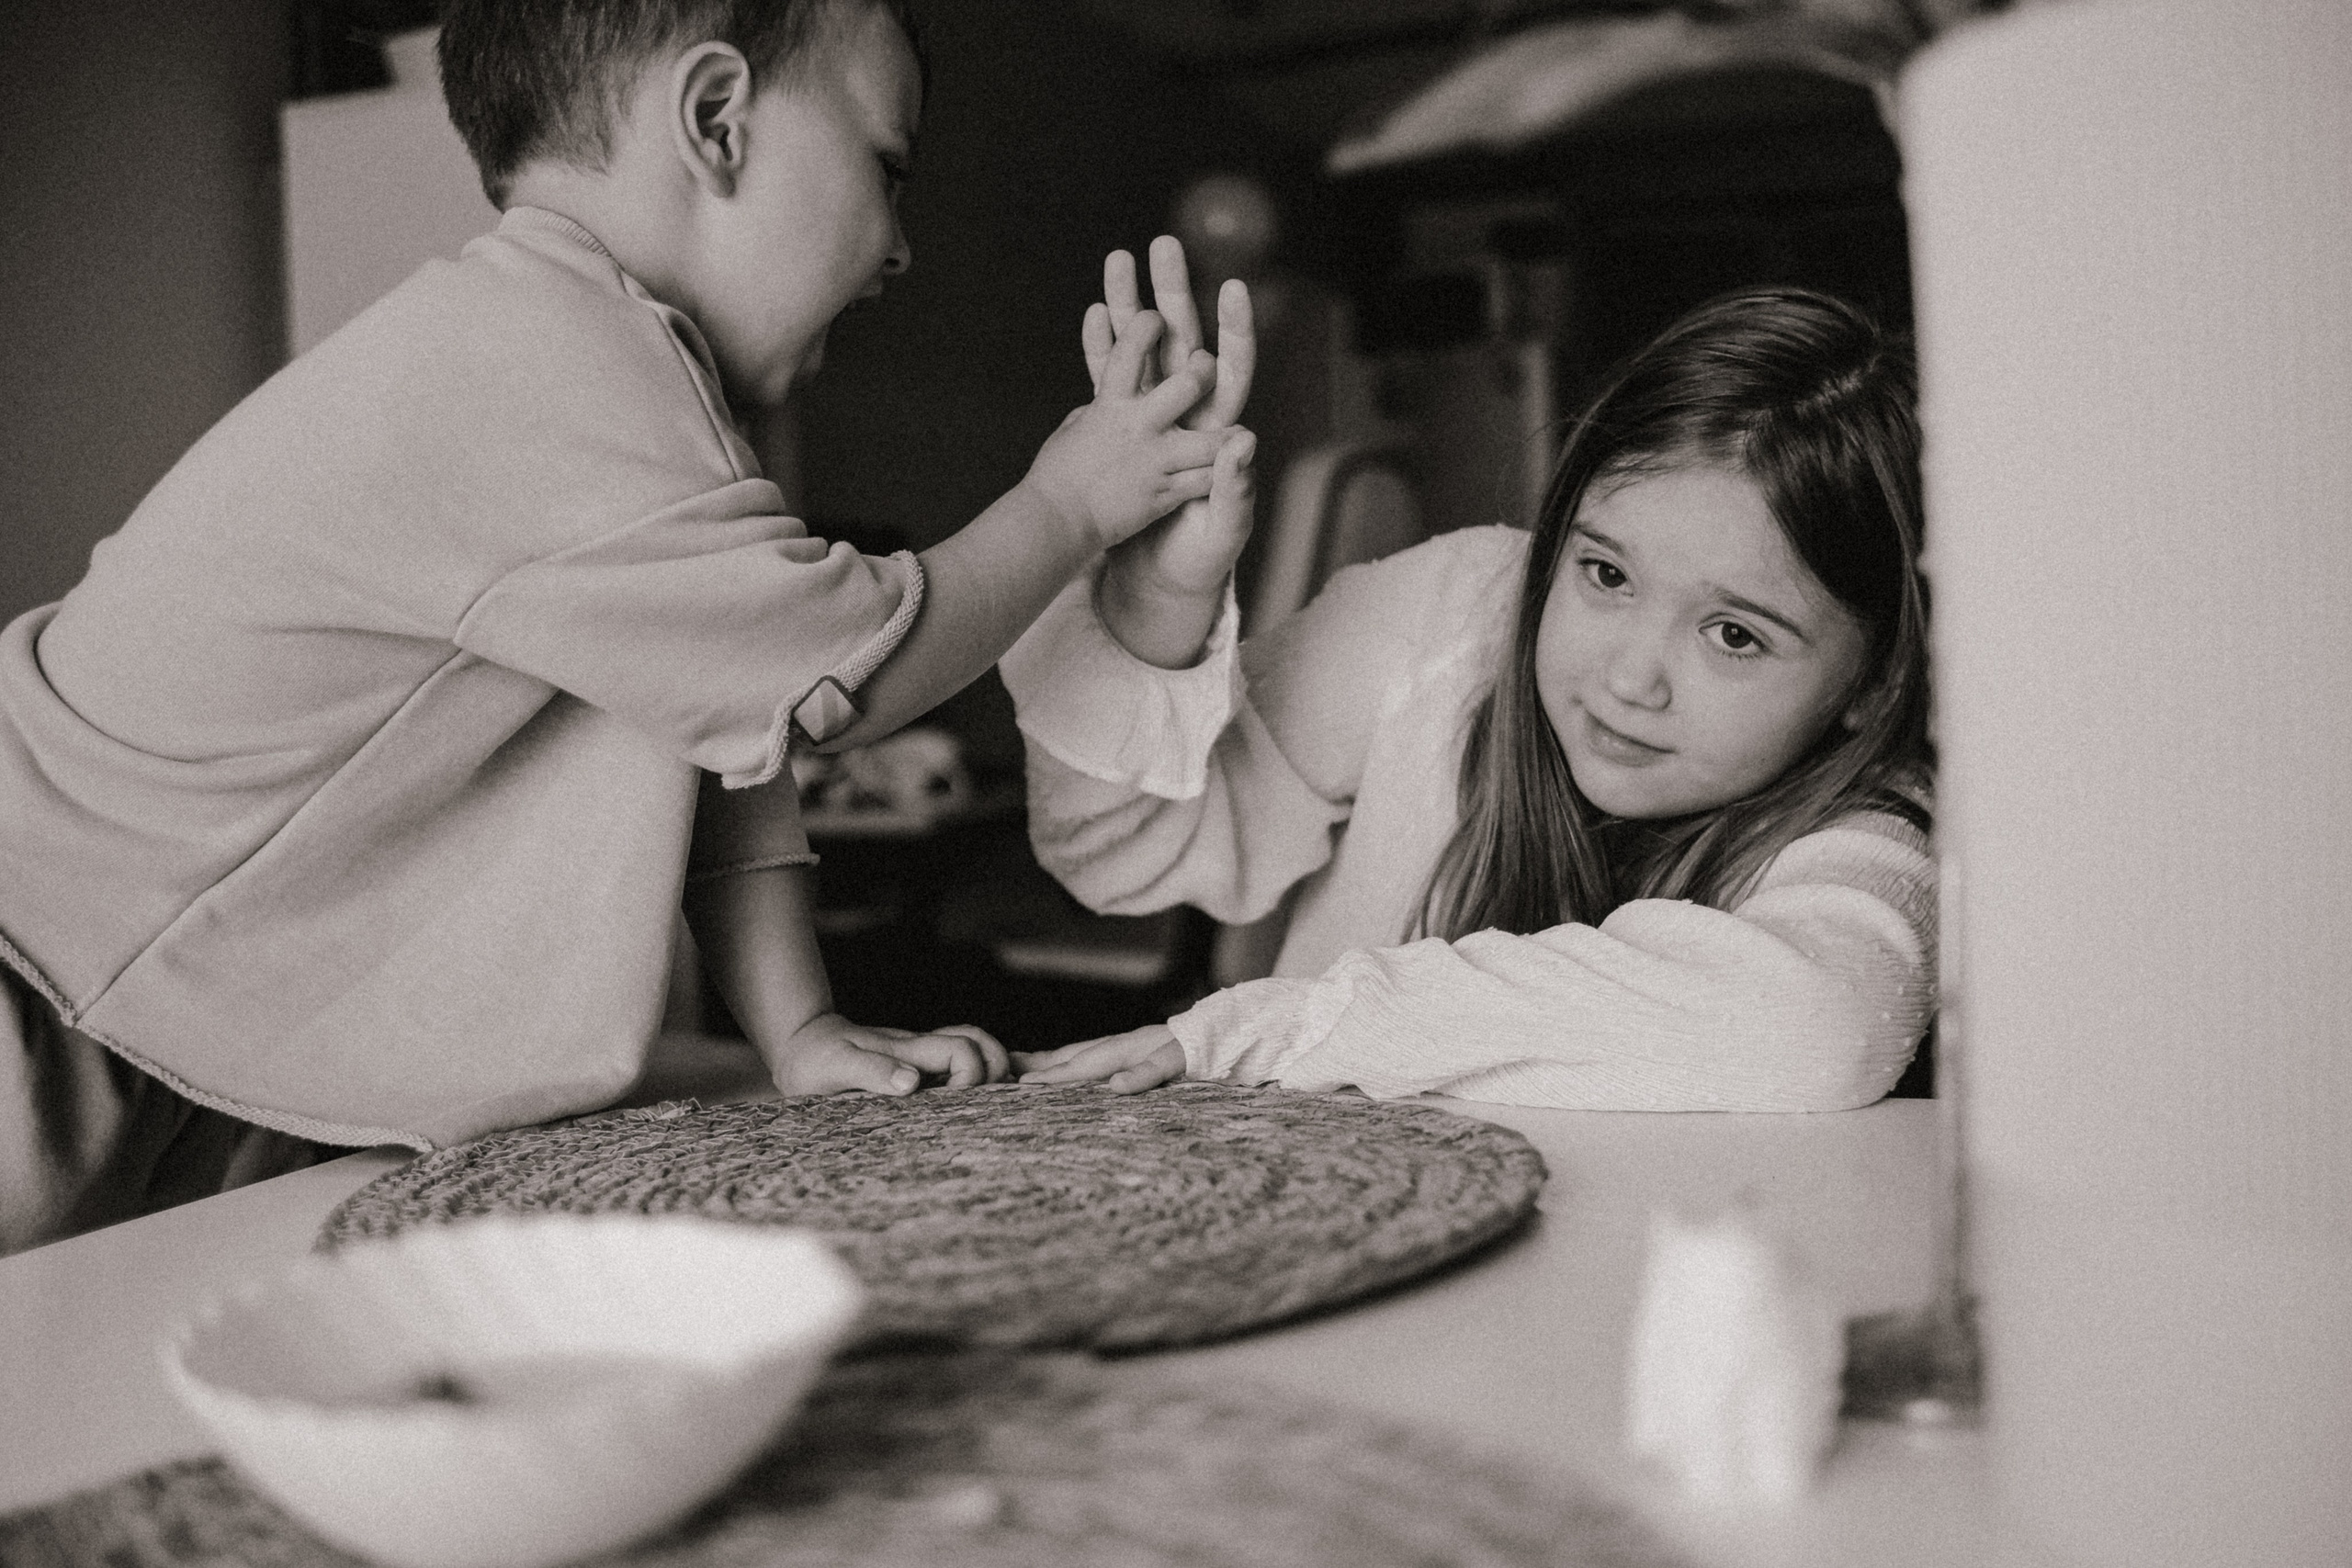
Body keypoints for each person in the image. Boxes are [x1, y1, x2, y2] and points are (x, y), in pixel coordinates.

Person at [0, 0, 1257, 1253]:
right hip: (41, 996)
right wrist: (1067, 503)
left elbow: (730, 737)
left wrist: (799, 1027)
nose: (900, 250)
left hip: (171, 1013)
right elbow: (839, 673)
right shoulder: (545, 356)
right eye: (887, 167)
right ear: (715, 121)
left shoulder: (612, 380)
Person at [1004, 283, 1933, 1111]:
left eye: (1734, 635)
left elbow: (1813, 1030)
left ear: (1875, 679)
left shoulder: (1878, 824)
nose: (1628, 679)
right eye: (1605, 573)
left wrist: (1274, 1027)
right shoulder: (1450, 613)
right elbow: (1112, 860)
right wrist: (1154, 605)